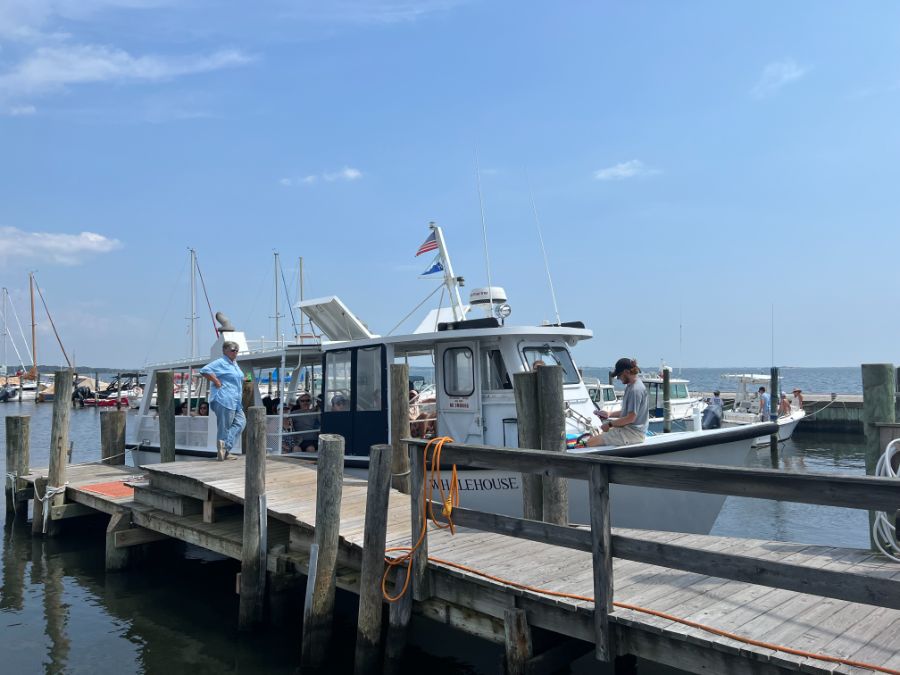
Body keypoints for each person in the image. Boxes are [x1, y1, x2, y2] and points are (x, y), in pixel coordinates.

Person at [584, 357, 648, 447]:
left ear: (626, 372)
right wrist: (609, 414)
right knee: (595, 436)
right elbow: (628, 413)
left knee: (590, 443)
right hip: (628, 429)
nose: (618, 378)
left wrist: (609, 424)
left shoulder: (635, 390)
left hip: (633, 433)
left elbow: (631, 418)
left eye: (619, 375)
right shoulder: (631, 386)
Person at [200, 340, 246, 460]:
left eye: (237, 350)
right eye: (232, 350)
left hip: (235, 400)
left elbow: (234, 377)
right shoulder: (221, 362)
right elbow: (204, 370)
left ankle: (224, 447)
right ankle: (224, 451)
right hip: (224, 398)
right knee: (225, 427)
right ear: (225, 350)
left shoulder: (234, 363)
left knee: (241, 422)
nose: (235, 352)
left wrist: (244, 379)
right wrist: (216, 381)